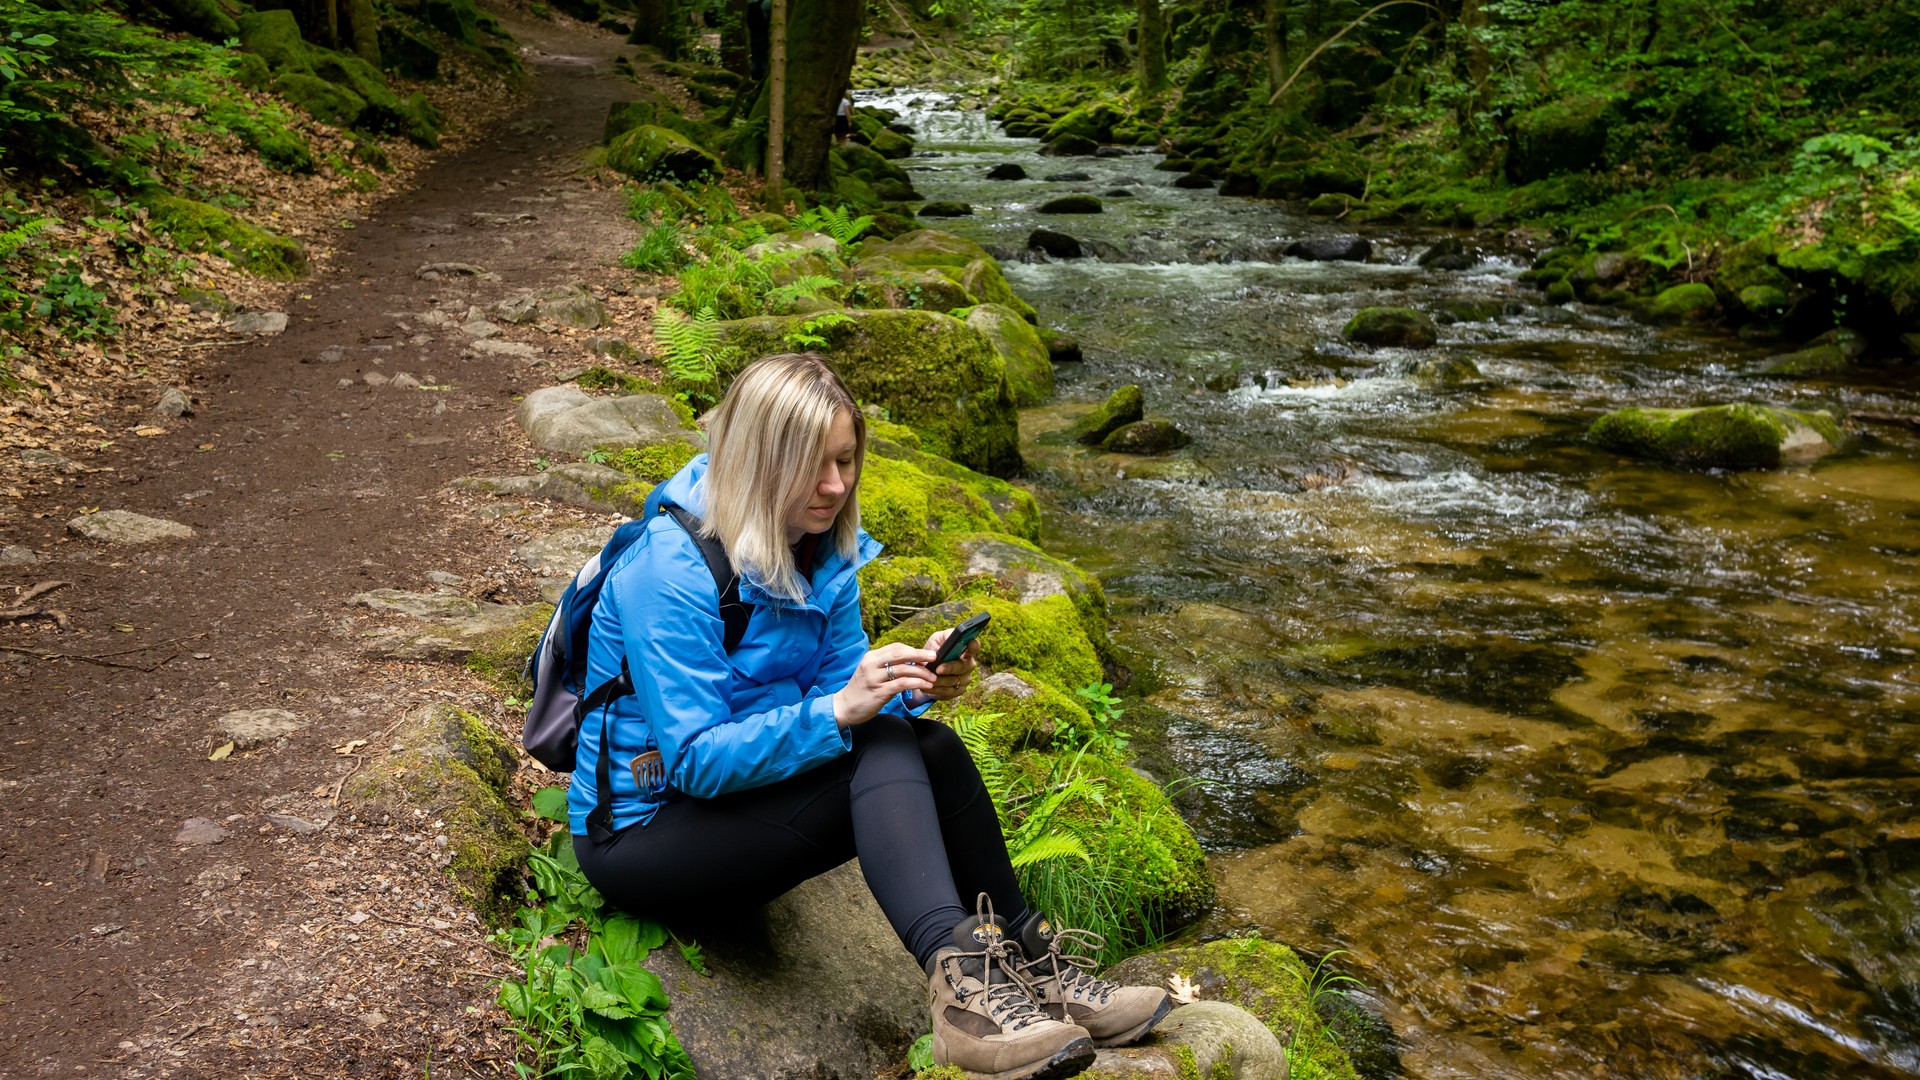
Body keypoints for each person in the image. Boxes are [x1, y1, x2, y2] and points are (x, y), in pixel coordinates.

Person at [568, 354, 1170, 1080]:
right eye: (813, 466)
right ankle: (963, 1005)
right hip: (644, 836)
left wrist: (908, 683)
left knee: (929, 745)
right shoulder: (669, 572)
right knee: (877, 735)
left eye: (847, 461)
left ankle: (1037, 966)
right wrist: (843, 711)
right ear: (759, 460)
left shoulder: (819, 549)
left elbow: (836, 694)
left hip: (735, 806)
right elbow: (695, 758)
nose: (836, 485)